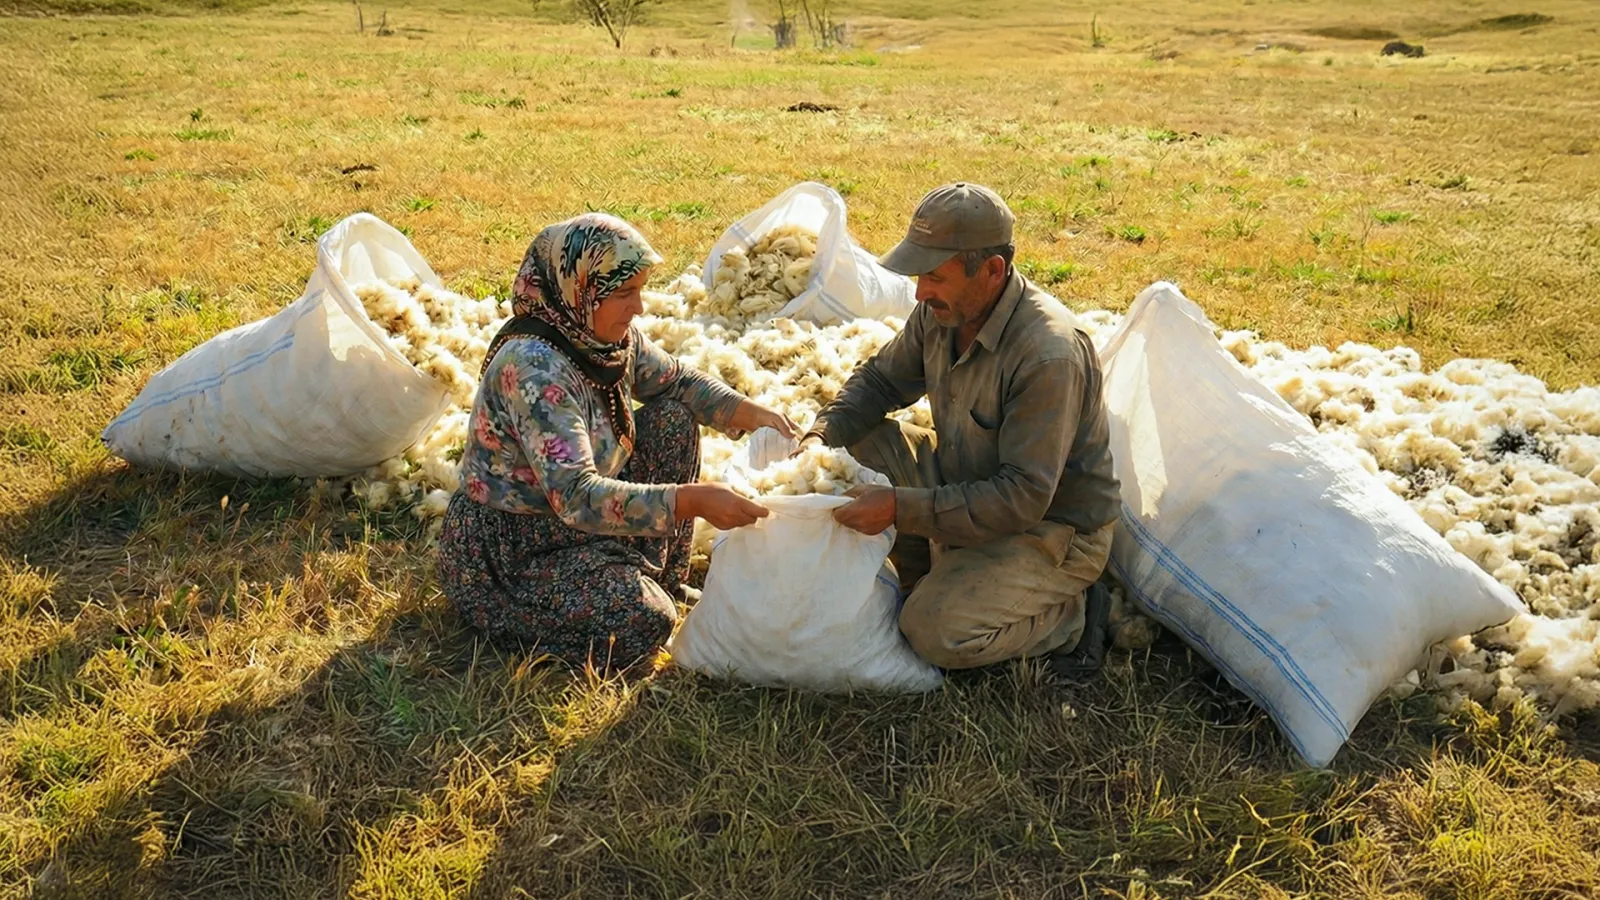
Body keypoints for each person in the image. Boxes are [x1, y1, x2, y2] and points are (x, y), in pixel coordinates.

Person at [437, 213, 794, 671]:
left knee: (672, 420)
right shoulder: (535, 370)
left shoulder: (601, 338)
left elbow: (676, 382)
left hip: (577, 518)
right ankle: (520, 616)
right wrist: (691, 500)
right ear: (580, 291)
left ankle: (657, 576)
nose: (639, 306)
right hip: (517, 550)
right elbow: (577, 497)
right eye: (625, 293)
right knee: (642, 619)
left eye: (639, 290)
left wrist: (751, 413)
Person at [798, 182, 1121, 676]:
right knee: (856, 440)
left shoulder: (1047, 354)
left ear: (992, 271)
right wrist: (819, 438)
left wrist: (898, 509)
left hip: (1049, 528)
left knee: (932, 631)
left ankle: (1074, 616)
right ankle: (932, 568)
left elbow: (1022, 498)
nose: (920, 291)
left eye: (935, 277)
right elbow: (882, 381)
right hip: (965, 479)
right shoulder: (942, 311)